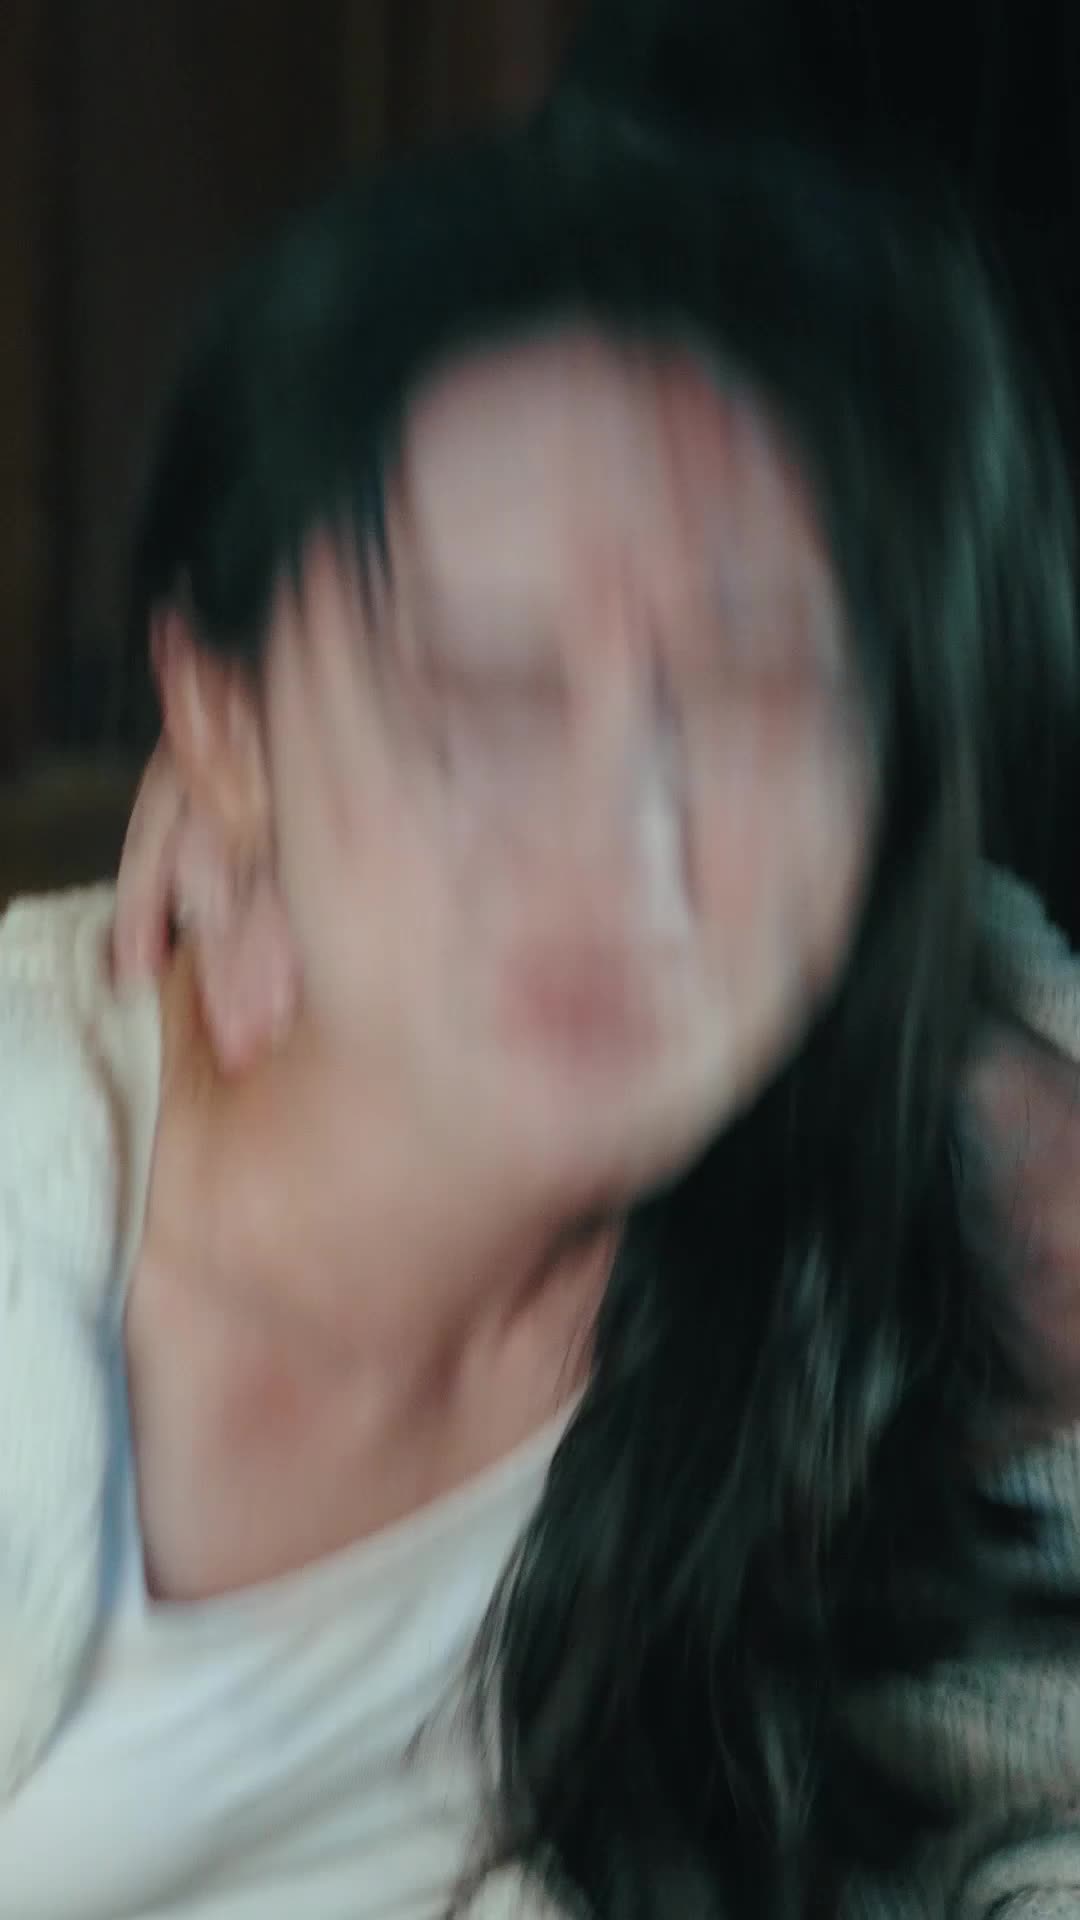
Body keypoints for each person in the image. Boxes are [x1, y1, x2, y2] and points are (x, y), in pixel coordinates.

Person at [2, 117, 1080, 1920]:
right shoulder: (43, 1255)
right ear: (220, 725)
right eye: (479, 690)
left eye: (752, 692)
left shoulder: (861, 1224)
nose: (620, 841)